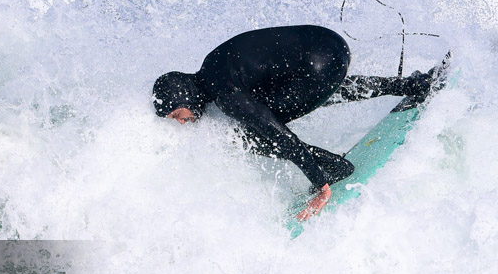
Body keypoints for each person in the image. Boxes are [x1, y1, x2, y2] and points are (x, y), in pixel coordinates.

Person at [152, 25, 434, 221]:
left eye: (178, 114)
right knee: (286, 98)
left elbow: (280, 137)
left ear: (184, 95)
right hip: (329, 44)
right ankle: (410, 84)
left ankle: (334, 169)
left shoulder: (226, 96)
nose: (183, 122)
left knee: (255, 135)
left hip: (320, 65)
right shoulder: (212, 67)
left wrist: (320, 184)